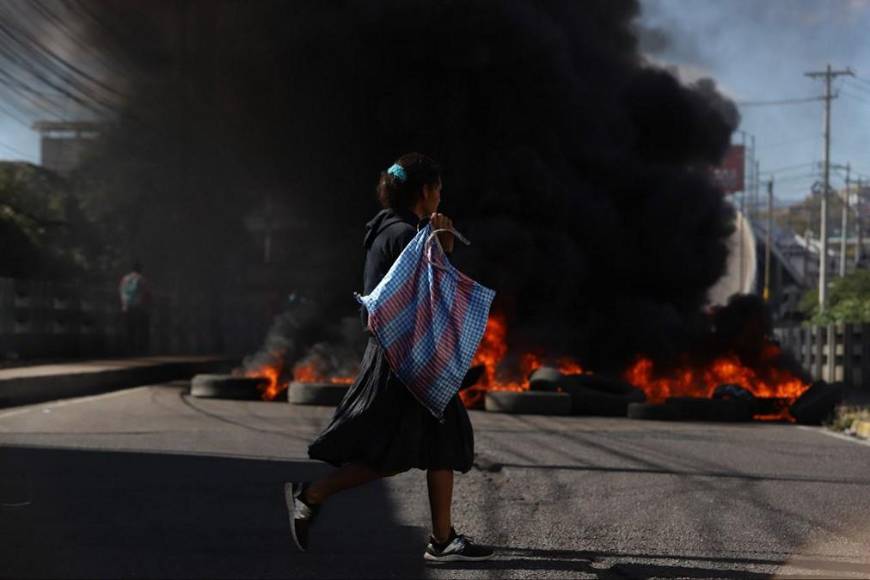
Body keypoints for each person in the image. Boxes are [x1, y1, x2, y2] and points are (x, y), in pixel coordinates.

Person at [285, 153, 493, 562]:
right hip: (407, 361)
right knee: (405, 450)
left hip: (396, 356)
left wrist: (437, 244)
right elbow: (431, 300)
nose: (440, 197)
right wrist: (443, 248)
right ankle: (312, 496)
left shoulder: (386, 229)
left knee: (426, 445)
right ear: (425, 191)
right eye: (437, 189)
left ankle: (440, 538)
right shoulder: (409, 236)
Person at [118, 261, 152, 354]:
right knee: (140, 330)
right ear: (140, 269)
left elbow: (120, 290)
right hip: (138, 307)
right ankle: (140, 351)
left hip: (126, 307)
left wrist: (124, 303)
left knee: (128, 329)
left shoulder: (125, 278)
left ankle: (128, 350)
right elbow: (147, 293)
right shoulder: (141, 279)